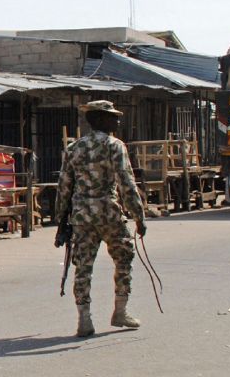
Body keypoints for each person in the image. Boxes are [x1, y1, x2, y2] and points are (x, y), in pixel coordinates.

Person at [55, 99, 146, 337]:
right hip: (109, 214)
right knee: (124, 258)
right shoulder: (115, 146)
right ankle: (120, 312)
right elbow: (126, 183)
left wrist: (60, 220)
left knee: (83, 266)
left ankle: (84, 319)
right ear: (99, 119)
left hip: (82, 216)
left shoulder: (73, 148)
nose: (117, 120)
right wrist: (139, 215)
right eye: (112, 116)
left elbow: (64, 187)